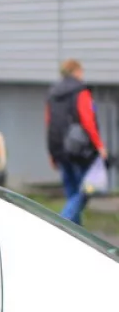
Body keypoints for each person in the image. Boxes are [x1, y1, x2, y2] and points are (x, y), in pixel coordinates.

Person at [46, 58, 108, 225]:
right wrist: (99, 146)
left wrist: (52, 153)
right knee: (86, 191)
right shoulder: (81, 92)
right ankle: (61, 222)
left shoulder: (52, 93)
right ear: (77, 72)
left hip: (59, 149)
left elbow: (49, 122)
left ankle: (75, 235)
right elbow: (88, 121)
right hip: (79, 150)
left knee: (72, 191)